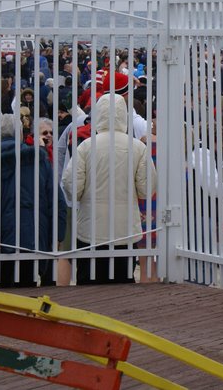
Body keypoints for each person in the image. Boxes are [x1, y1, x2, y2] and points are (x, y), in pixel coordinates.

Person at [62, 93, 156, 284]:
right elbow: (147, 188)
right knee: (122, 281)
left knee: (88, 281)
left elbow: (71, 182)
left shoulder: (86, 146)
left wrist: (82, 196)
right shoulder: (138, 147)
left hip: (90, 227)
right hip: (125, 229)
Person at [0, 114, 65, 288]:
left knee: (1, 294)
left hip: (0, 238)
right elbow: (56, 201)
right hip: (32, 237)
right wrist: (57, 234)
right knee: (28, 290)